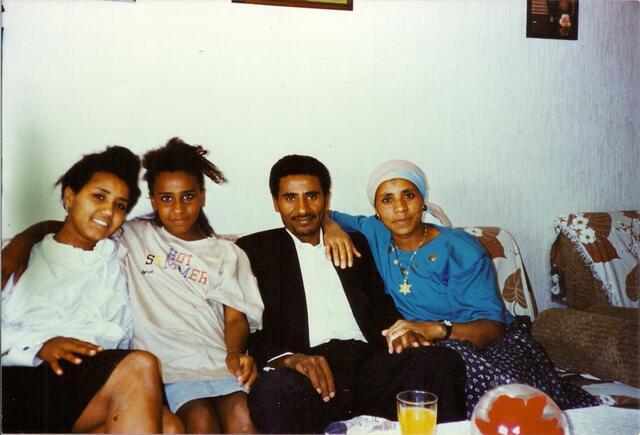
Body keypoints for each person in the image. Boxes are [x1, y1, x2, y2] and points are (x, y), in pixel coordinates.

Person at [2, 138, 264, 434]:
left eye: (119, 206)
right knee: (189, 415)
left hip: (186, 366)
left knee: (202, 425)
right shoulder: (129, 236)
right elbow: (69, 230)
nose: (107, 212)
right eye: (166, 199)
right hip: (57, 376)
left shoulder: (123, 250)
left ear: (202, 196)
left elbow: (235, 317)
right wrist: (21, 242)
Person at [323, 159, 600, 416]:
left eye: (409, 195)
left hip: (487, 342)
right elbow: (320, 212)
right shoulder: (374, 231)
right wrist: (330, 226)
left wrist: (440, 330)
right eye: (387, 199)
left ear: (422, 200)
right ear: (376, 210)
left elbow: (493, 327)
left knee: (504, 401)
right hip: (427, 346)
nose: (399, 208)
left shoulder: (461, 248)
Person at [235, 155, 467, 434]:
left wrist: (402, 333)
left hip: (369, 363)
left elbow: (380, 303)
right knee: (273, 389)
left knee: (440, 362)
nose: (302, 208)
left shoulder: (355, 242)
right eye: (290, 198)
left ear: (326, 198)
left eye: (311, 196)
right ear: (275, 202)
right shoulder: (254, 250)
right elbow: (248, 325)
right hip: (308, 371)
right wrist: (289, 358)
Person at [1, 146, 181, 433]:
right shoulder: (19, 257)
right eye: (99, 197)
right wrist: (38, 346)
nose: (108, 211)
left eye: (119, 205)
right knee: (140, 365)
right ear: (70, 197)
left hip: (93, 381)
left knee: (171, 427)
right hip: (26, 378)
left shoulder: (119, 257)